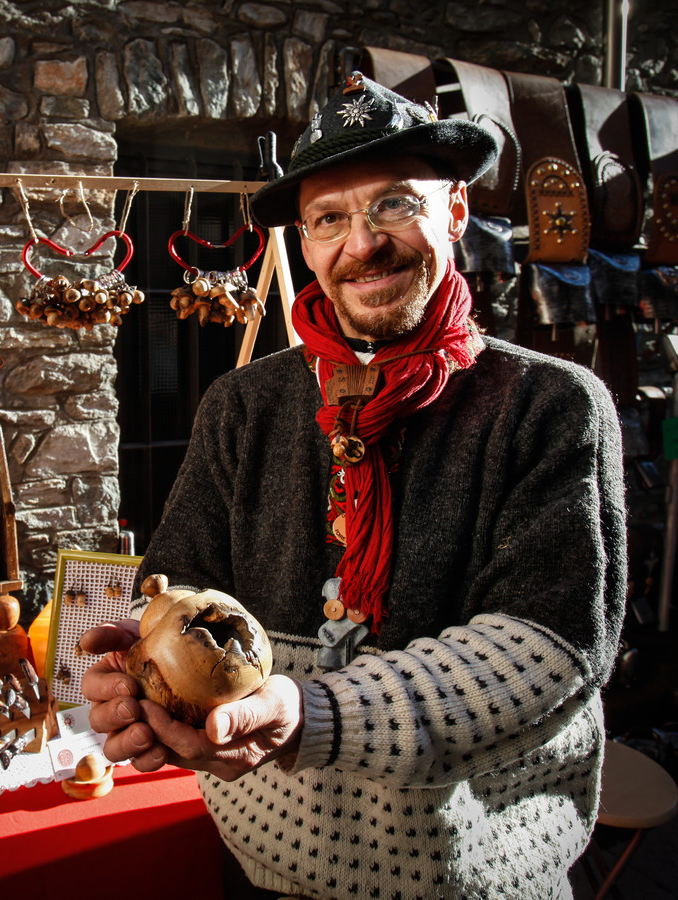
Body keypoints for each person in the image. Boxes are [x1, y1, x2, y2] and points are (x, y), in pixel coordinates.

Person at [81, 73, 627, 899]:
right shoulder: (243, 406)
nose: (362, 243)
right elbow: (178, 586)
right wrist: (136, 678)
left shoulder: (551, 407)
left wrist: (315, 714)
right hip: (265, 867)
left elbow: (545, 651)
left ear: (454, 213)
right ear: (303, 242)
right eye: (329, 219)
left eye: (394, 205)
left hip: (474, 877)